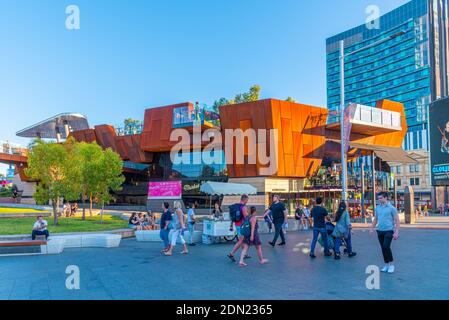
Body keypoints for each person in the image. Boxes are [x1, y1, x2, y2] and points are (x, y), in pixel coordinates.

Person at [370, 192, 400, 274]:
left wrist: (396, 232)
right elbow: (376, 219)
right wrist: (372, 228)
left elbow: (397, 220)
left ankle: (391, 265)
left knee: (386, 246)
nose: (379, 199)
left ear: (386, 198)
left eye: (381, 198)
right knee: (383, 248)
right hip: (379, 231)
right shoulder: (377, 208)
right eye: (378, 198)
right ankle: (386, 264)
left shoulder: (392, 208)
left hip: (389, 230)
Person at [227, 194, 250, 262]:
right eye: (247, 200)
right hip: (242, 226)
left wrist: (231, 225)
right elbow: (246, 217)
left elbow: (232, 217)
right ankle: (231, 253)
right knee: (241, 241)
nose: (247, 201)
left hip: (237, 225)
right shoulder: (243, 207)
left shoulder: (236, 206)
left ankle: (245, 254)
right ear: (245, 199)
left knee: (242, 240)